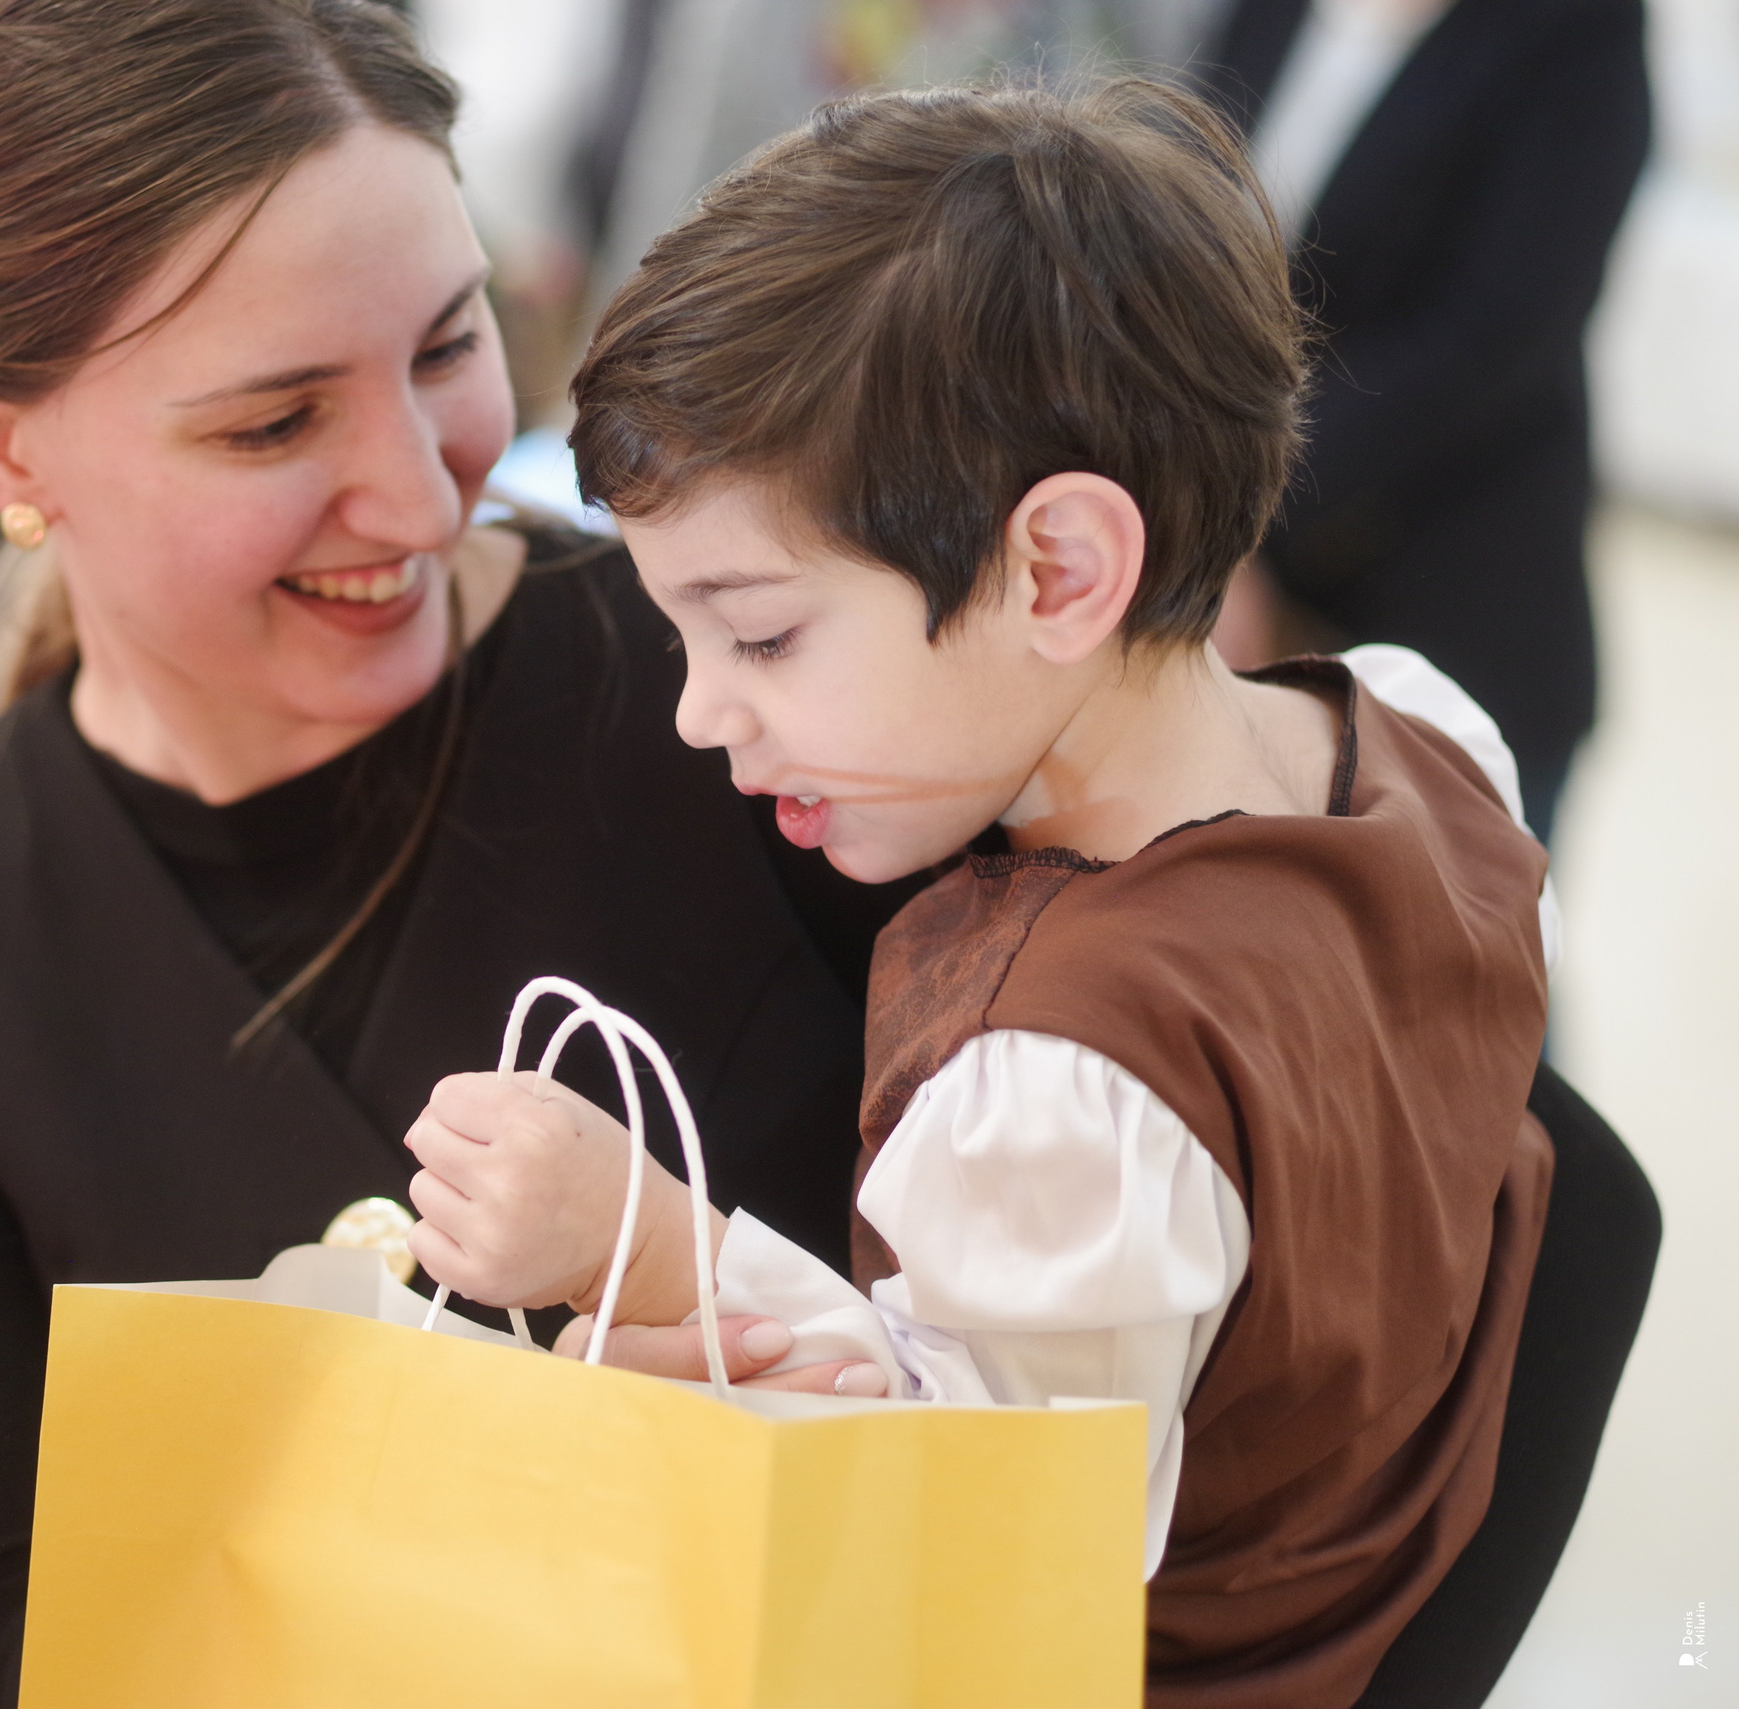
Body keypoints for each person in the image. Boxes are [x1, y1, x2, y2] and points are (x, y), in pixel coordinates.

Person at [0, 1, 916, 1700]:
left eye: (447, 348)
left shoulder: (738, 690)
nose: (425, 497)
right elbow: (22, 1656)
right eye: (272, 425)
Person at [400, 79, 1555, 1706]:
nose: (698, 710)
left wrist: (655, 1247)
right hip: (1380, 1567)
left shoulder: (1057, 1081)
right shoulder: (1427, 731)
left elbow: (970, 1556)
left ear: (1058, 569)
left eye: (763, 631)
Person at [1196, 0, 1650, 841]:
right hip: (1240, 606)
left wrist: (1230, 520)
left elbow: (1487, 340)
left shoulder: (1580, 30)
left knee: (1467, 945)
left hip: (1449, 592)